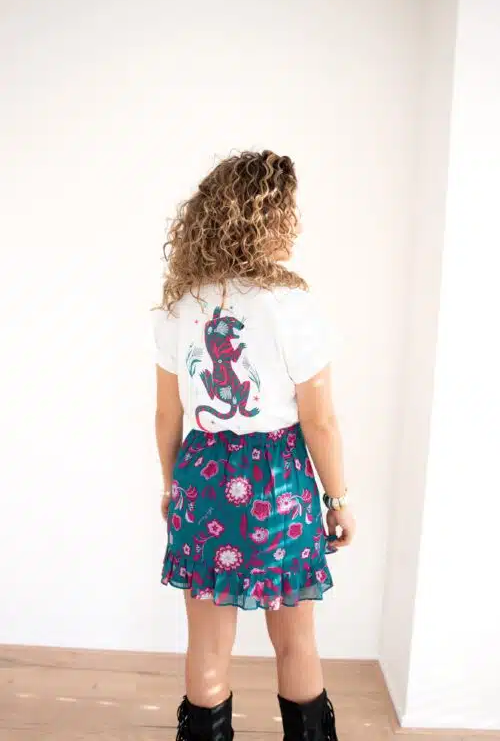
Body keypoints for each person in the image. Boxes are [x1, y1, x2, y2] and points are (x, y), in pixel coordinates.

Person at [153, 150, 356, 741]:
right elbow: (320, 421)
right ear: (268, 219)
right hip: (278, 482)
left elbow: (167, 414)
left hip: (202, 477)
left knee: (207, 643)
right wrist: (338, 500)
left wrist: (170, 486)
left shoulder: (181, 306)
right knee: (295, 640)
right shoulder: (292, 306)